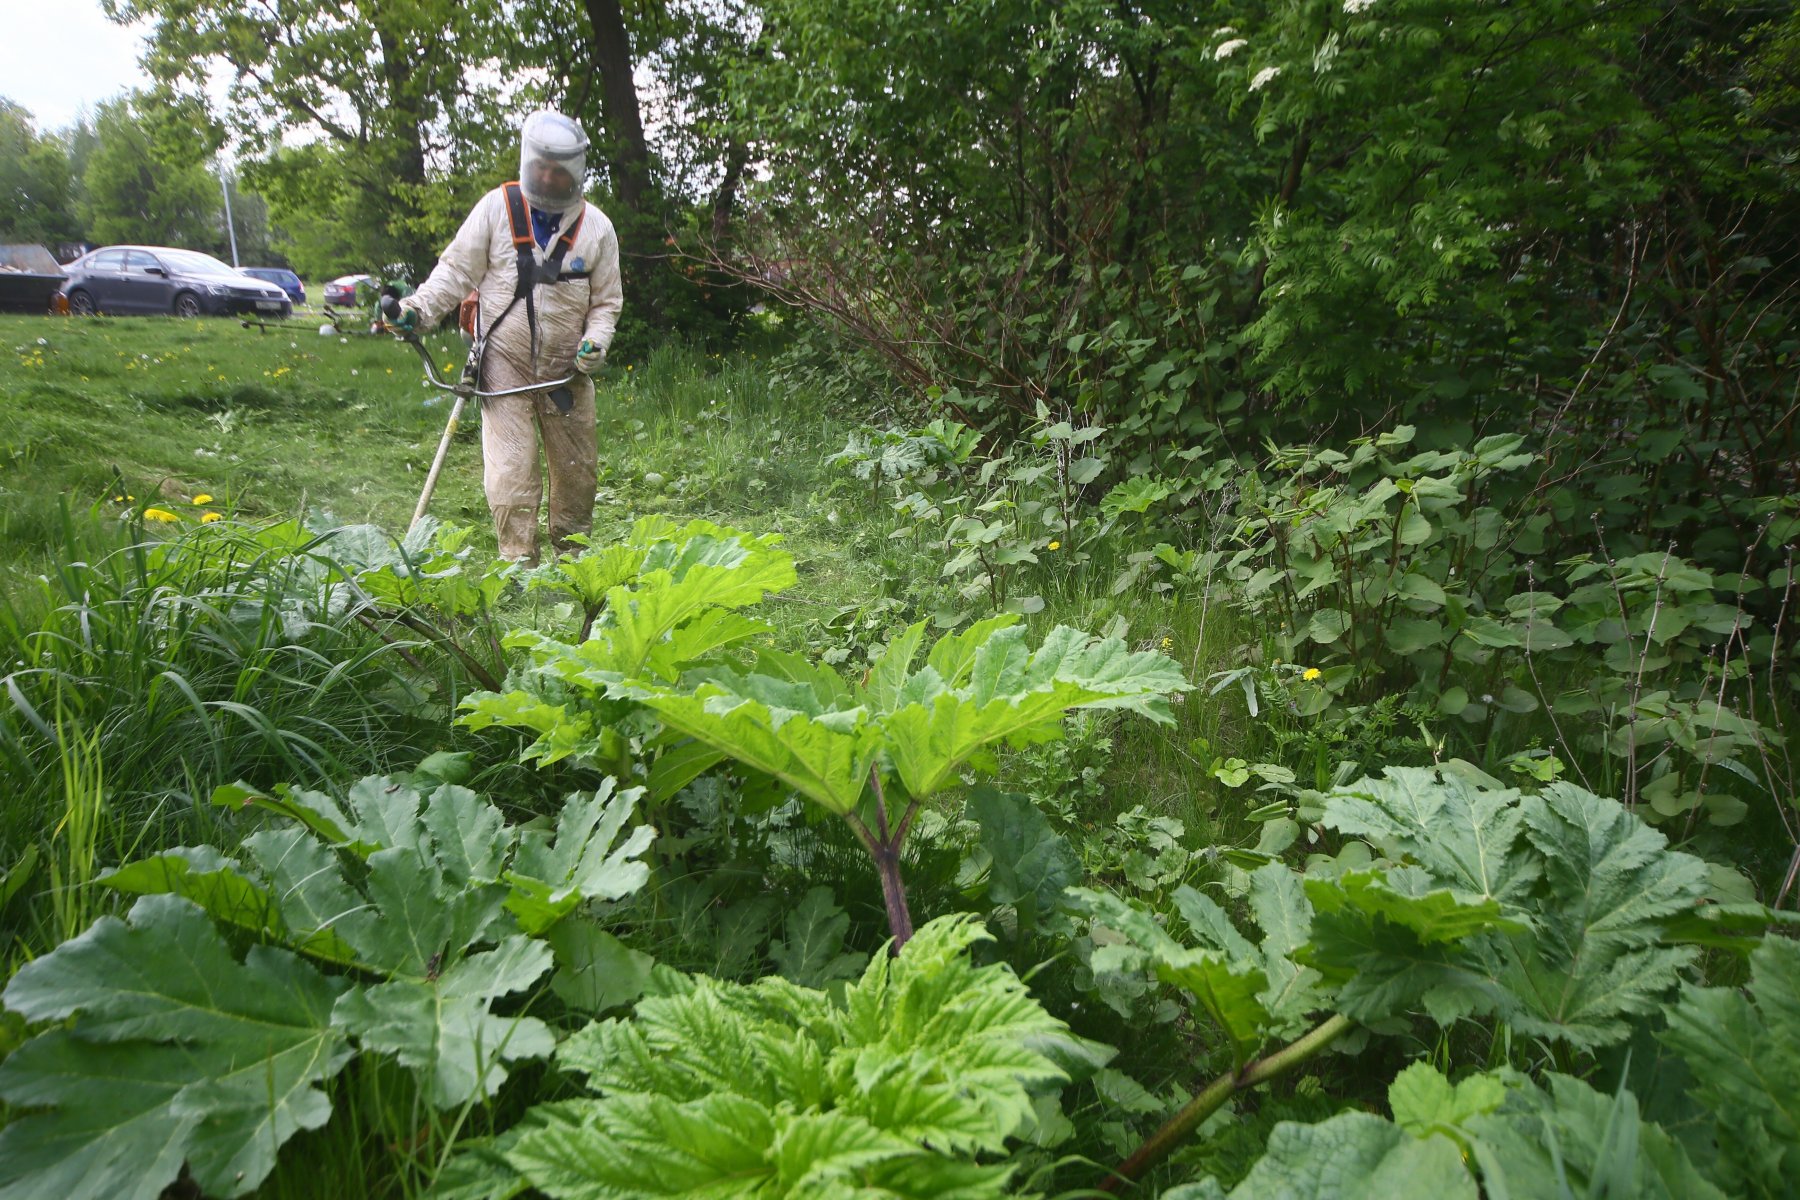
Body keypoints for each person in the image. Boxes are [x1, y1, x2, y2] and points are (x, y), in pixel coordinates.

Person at [396, 110, 623, 565]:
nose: (546, 175)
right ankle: (518, 563)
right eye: (540, 165)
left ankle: (573, 556)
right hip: (504, 365)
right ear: (527, 162)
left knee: (578, 472)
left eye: (558, 169)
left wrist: (596, 343)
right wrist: (417, 312)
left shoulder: (596, 228)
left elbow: (606, 303)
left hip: (567, 374)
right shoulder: (496, 209)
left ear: (575, 170)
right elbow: (456, 271)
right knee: (510, 472)